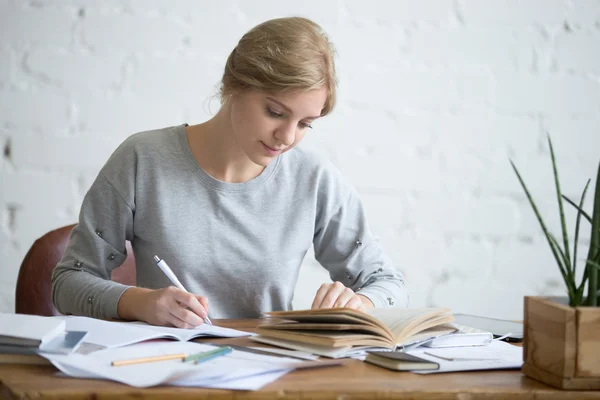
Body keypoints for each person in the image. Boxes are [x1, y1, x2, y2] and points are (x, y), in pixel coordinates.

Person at [51, 16, 408, 328]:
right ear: (234, 86)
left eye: (305, 124)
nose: (286, 137)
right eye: (275, 112)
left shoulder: (313, 179)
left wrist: (360, 303)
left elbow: (389, 285)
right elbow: (68, 283)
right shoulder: (143, 159)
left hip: (272, 373)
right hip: (166, 370)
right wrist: (140, 303)